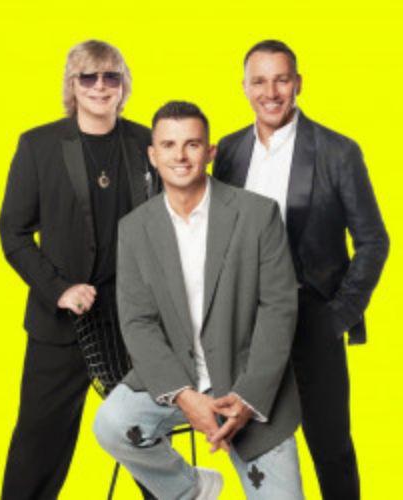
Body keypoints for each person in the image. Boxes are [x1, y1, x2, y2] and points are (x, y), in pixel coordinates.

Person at [93, 101, 304, 499]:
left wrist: (249, 397)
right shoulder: (134, 229)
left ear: (210, 152)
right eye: (169, 145)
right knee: (111, 424)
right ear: (153, 155)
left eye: (192, 144)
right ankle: (190, 488)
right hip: (175, 382)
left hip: (248, 388)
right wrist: (184, 395)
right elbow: (137, 321)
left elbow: (279, 310)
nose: (180, 155)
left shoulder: (258, 215)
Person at [213, 40, 390, 499]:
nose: (270, 92)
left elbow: (374, 241)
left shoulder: (338, 151)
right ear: (244, 87)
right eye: (259, 81)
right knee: (257, 444)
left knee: (331, 448)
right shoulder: (229, 150)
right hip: (246, 325)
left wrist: (337, 318)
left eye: (281, 79)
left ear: (298, 84)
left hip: (312, 320)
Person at [0, 40, 158, 500]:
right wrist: (59, 289)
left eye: (111, 76)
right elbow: (12, 231)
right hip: (60, 324)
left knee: (147, 438)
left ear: (123, 84)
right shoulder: (38, 145)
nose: (100, 86)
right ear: (73, 84)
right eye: (88, 76)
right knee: (37, 448)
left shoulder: (146, 142)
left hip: (131, 323)